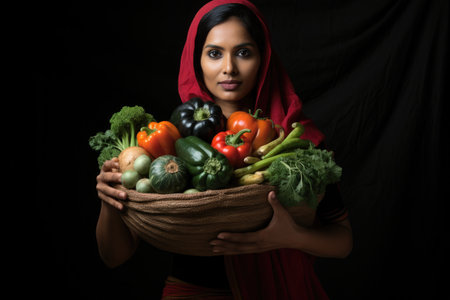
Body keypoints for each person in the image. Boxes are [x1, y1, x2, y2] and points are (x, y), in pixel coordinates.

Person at [95, 0, 352, 299]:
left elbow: (343, 241)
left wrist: (291, 237)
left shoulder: (298, 141)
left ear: (263, 58)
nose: (229, 68)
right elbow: (114, 257)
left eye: (243, 52)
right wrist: (108, 199)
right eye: (214, 54)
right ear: (196, 60)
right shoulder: (167, 143)